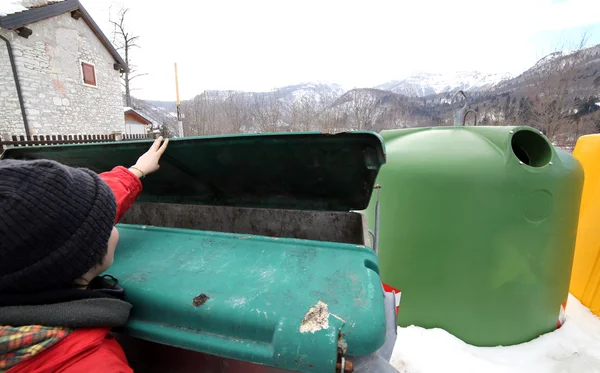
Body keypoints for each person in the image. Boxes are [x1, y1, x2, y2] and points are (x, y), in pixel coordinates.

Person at [0, 136, 169, 373]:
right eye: (106, 224)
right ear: (79, 257)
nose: (112, 222)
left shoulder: (22, 260)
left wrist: (135, 172)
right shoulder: (90, 366)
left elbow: (62, 217)